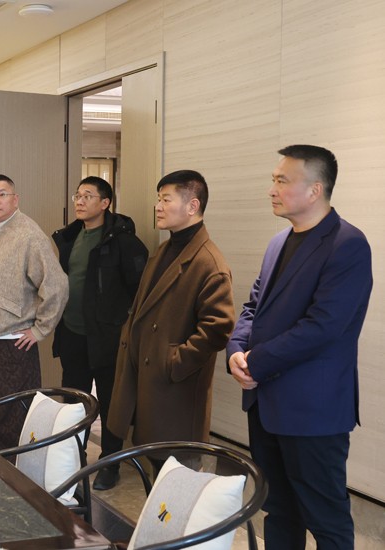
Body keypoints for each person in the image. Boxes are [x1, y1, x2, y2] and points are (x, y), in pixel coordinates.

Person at [227, 145, 372, 550]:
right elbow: (253, 307)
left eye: (282, 181)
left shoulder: (347, 244)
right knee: (279, 511)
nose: (272, 189)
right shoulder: (278, 243)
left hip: (313, 411)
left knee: (326, 520)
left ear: (314, 190)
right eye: (273, 180)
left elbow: (323, 327)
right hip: (266, 404)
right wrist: (236, 350)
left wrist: (255, 362)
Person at [107, 170, 235, 473]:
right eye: (158, 199)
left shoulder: (208, 262)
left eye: (166, 199)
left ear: (192, 206)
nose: (158, 207)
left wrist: (174, 361)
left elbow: (218, 328)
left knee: (178, 472)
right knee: (156, 465)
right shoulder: (166, 248)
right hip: (149, 380)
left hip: (175, 388)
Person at [52, 176, 147, 490]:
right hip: (72, 333)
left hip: (108, 337)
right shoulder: (69, 237)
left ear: (105, 203)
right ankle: (72, 457)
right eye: (78, 196)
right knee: (73, 401)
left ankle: (110, 462)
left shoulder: (123, 242)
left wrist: (123, 326)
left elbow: (141, 292)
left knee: (110, 402)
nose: (80, 201)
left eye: (88, 196)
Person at [0, 174, 68, 451]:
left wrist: (39, 329)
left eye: (2, 194)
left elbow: (57, 286)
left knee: (12, 415)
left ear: (15, 199)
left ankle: (13, 471)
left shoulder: (29, 234)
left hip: (11, 344)